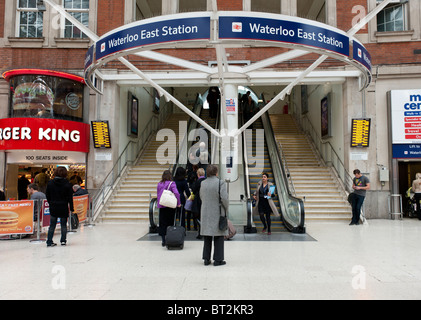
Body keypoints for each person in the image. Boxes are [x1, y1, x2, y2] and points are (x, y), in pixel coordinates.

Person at [200, 165, 229, 266]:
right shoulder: (220, 183)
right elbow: (224, 198)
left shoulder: (203, 183)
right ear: (216, 173)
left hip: (205, 212)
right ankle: (218, 260)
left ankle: (206, 259)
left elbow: (201, 196)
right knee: (219, 236)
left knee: (207, 236)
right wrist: (226, 208)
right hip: (217, 212)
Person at [45, 166, 74, 247]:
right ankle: (63, 241)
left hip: (53, 206)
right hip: (63, 206)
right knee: (63, 225)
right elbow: (70, 198)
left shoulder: (50, 183)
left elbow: (47, 195)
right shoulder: (67, 184)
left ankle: (49, 241)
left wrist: (50, 202)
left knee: (52, 225)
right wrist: (71, 208)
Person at [157, 170, 181, 247]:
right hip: (170, 206)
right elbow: (176, 193)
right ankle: (169, 238)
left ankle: (163, 240)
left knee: (162, 223)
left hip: (162, 205)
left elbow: (158, 194)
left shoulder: (159, 184)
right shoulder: (172, 183)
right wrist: (178, 203)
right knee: (170, 223)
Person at [191, 168, 206, 238]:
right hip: (205, 200)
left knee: (198, 216)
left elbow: (194, 191)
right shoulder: (206, 181)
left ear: (198, 174)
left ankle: (200, 233)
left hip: (198, 201)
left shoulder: (198, 181)